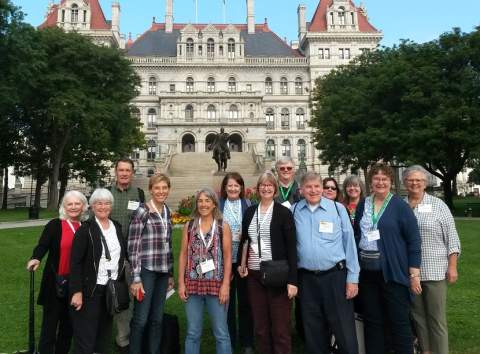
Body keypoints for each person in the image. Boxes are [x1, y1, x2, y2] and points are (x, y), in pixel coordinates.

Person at [353, 163, 422, 354]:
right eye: (376, 178)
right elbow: (357, 232)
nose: (380, 182)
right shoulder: (363, 204)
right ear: (371, 182)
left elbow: (414, 240)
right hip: (367, 273)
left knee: (398, 321)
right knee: (372, 321)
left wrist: (414, 272)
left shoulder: (400, 206)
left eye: (385, 179)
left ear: (391, 182)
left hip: (392, 272)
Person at [293, 172, 360, 354]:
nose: (313, 190)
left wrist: (353, 278)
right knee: (314, 332)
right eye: (308, 187)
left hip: (335, 277)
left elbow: (349, 243)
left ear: (322, 188)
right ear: (301, 190)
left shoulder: (337, 209)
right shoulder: (294, 211)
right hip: (307, 280)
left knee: (344, 331)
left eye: (316, 186)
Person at [403, 165, 461, 354]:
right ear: (405, 182)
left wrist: (452, 266)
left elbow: (452, 238)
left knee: (436, 318)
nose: (415, 183)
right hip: (411, 273)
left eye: (419, 180)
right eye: (411, 179)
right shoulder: (400, 206)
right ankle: (426, 351)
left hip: (435, 271)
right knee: (418, 316)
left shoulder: (438, 205)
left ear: (425, 183)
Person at [238, 171, 298, 354]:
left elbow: (291, 248)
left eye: (269, 185)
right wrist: (242, 264)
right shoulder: (249, 212)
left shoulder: (283, 213)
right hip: (255, 276)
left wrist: (293, 281)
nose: (266, 188)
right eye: (262, 185)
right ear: (258, 189)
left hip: (277, 275)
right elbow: (245, 242)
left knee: (280, 328)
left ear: (275, 189)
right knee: (261, 327)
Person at [27, 191, 89, 354]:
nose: (74, 207)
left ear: (83, 206)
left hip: (77, 285)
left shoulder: (87, 226)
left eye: (77, 203)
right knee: (50, 323)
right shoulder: (55, 225)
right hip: (55, 281)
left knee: (68, 325)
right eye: (70, 204)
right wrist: (36, 258)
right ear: (64, 207)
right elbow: (43, 245)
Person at [70, 188, 126, 354]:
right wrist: (76, 291)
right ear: (92, 207)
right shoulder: (85, 229)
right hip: (90, 290)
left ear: (111, 206)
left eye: (107, 203)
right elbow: (75, 263)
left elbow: (122, 255)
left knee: (104, 335)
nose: (103, 207)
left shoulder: (116, 226)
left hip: (110, 289)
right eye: (99, 203)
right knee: (86, 337)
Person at [178, 188, 233, 354]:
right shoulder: (189, 226)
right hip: (193, 286)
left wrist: (226, 285)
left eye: (207, 200)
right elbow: (182, 255)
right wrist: (181, 283)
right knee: (193, 332)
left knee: (221, 333)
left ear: (214, 203)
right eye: (200, 201)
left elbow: (228, 257)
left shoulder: (223, 226)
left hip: (216, 286)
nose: (203, 204)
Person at [128, 174, 175, 354]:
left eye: (164, 188)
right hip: (146, 271)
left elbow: (169, 244)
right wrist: (136, 278)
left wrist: (171, 274)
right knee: (141, 319)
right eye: (157, 188)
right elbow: (133, 246)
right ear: (151, 190)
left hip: (162, 272)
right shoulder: (142, 211)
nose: (161, 191)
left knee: (157, 319)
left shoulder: (167, 211)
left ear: (168, 189)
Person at [108, 158, 145, 353]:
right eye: (121, 170)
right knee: (104, 295)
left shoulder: (138, 193)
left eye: (127, 170)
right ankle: (100, 335)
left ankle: (123, 339)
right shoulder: (107, 193)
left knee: (126, 297)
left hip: (130, 254)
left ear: (132, 173)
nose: (124, 173)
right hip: (108, 254)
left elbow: (143, 220)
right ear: (116, 172)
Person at [219, 172, 254, 354]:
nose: (233, 189)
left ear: (241, 188)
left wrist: (244, 235)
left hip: (243, 261)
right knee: (227, 303)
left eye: (236, 186)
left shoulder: (248, 205)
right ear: (225, 188)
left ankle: (247, 340)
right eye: (230, 186)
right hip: (224, 262)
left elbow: (255, 231)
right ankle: (230, 339)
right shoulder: (218, 206)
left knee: (246, 301)